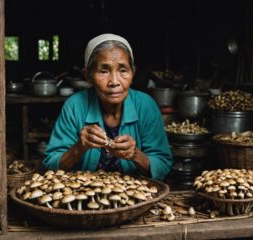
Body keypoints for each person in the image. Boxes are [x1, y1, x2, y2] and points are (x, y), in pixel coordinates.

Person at [43, 33, 173, 181]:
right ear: (88, 75)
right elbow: (51, 165)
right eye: (103, 71)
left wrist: (135, 154)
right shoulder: (75, 106)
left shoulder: (146, 106)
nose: (114, 81)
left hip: (134, 198)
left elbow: (163, 165)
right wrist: (80, 146)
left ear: (133, 73)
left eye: (123, 70)